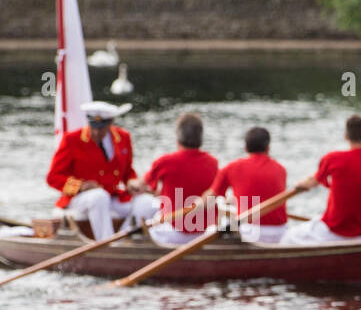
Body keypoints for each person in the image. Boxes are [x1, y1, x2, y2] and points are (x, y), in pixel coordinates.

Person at [46, 100, 156, 241]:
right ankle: (106, 243)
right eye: (93, 126)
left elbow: (127, 171)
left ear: (111, 123)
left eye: (102, 128)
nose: (97, 132)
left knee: (148, 203)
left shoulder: (123, 137)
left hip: (112, 196)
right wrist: (80, 186)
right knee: (98, 197)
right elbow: (53, 177)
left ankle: (123, 240)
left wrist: (132, 183)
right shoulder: (72, 140)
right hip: (80, 200)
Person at [282, 115, 361, 245]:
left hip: (333, 231)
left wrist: (298, 185)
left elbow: (312, 182)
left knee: (287, 237)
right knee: (315, 220)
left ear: (346, 136)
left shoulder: (333, 159)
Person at [143, 112, 219, 245]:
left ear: (177, 137)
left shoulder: (165, 162)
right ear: (201, 138)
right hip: (204, 234)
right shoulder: (213, 163)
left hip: (173, 233)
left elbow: (143, 186)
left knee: (142, 203)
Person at [204, 127, 289, 243]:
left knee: (210, 230)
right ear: (268, 148)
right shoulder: (281, 170)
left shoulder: (231, 167)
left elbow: (209, 198)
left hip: (250, 231)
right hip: (279, 232)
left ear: (246, 148)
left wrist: (194, 204)